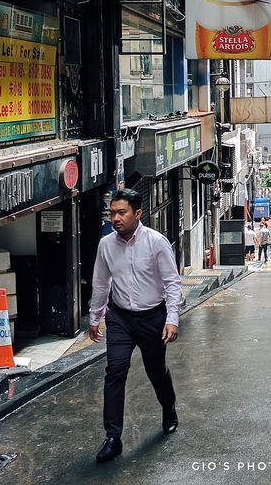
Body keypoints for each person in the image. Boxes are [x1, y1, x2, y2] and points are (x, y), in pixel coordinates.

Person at [87, 189, 183, 463]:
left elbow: (172, 283)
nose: (115, 218)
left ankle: (169, 408)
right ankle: (113, 438)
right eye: (112, 213)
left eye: (121, 212)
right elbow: (101, 282)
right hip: (119, 318)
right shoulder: (106, 244)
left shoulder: (156, 242)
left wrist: (171, 319)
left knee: (156, 371)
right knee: (115, 371)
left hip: (152, 317)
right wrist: (95, 318)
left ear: (137, 213)